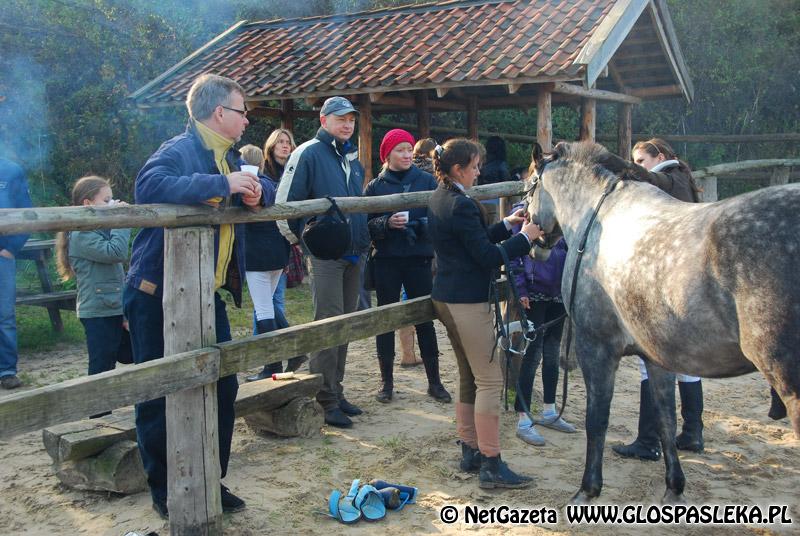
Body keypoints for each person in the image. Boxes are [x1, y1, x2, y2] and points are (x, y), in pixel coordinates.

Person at [123, 73, 267, 518]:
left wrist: (256, 192)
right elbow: (148, 186)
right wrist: (223, 186)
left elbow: (266, 187)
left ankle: (208, 478)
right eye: (242, 111)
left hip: (206, 294)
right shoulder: (178, 149)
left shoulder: (231, 156)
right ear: (219, 112)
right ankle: (165, 489)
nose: (247, 120)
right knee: (158, 392)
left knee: (223, 385)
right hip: (155, 294)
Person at [427, 138, 542, 489]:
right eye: (475, 166)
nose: (479, 172)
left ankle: (471, 449)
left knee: (468, 375)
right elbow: (486, 256)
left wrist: (506, 225)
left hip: (447, 296)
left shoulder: (441, 196)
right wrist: (525, 238)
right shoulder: (461, 204)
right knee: (490, 380)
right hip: (466, 301)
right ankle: (491, 462)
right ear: (458, 169)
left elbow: (472, 241)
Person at [607, 138, 705, 460]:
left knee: (651, 363)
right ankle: (692, 432)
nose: (638, 166)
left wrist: (621, 168)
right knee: (686, 366)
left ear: (659, 156)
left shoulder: (669, 179)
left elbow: (652, 180)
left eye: (641, 160)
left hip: (667, 283)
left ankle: (648, 441)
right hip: (687, 283)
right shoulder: (681, 180)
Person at [276, 96, 369, 429]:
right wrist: (305, 245)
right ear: (324, 119)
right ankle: (324, 397)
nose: (347, 124)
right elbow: (285, 205)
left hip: (354, 252)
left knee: (344, 324)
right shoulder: (308, 153)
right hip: (325, 255)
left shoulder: (352, 158)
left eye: (351, 119)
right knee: (327, 324)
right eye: (341, 118)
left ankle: (336, 390)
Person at [364, 129, 451, 404]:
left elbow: (439, 216)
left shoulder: (427, 181)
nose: (406, 154)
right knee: (386, 320)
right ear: (387, 154)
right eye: (399, 150)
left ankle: (435, 382)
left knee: (424, 318)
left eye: (408, 149)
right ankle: (386, 383)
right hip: (387, 260)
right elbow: (365, 224)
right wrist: (386, 223)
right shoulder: (375, 186)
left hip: (418, 258)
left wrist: (420, 225)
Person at [55, 176, 131, 405]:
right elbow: (116, 252)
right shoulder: (81, 235)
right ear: (87, 204)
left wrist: (124, 311)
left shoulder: (97, 230)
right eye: (106, 200)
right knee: (101, 368)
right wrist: (122, 220)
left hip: (113, 307)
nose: (112, 203)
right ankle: (98, 416)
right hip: (98, 311)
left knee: (133, 354)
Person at [508, 219, 575, 445]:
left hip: (559, 294)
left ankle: (549, 411)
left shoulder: (564, 217)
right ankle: (523, 419)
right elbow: (514, 256)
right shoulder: (524, 217)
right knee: (532, 355)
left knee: (552, 354)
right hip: (534, 295)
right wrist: (521, 290)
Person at [0, 157, 32, 390]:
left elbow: (27, 213)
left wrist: (12, 248)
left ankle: (6, 371)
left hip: (2, 257)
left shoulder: (11, 170)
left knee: (4, 316)